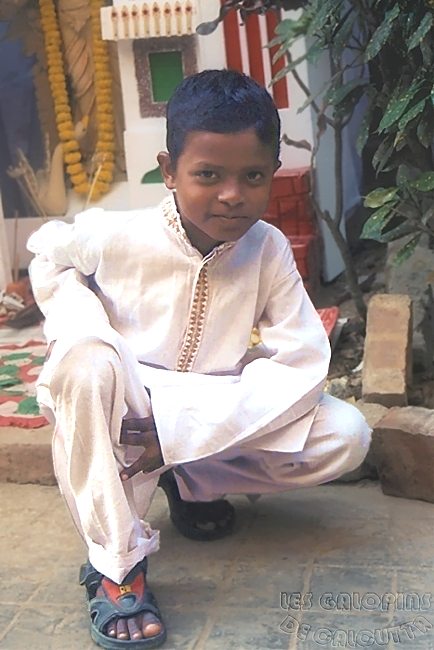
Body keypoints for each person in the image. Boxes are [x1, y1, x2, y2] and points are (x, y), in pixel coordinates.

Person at [28, 69, 371, 649]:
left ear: (272, 172)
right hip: (126, 406)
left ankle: (188, 480)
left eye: (253, 176)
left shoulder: (267, 248)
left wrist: (183, 431)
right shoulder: (116, 233)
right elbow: (46, 254)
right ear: (169, 170)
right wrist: (91, 332)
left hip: (209, 403)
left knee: (346, 434)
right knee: (83, 363)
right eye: (208, 174)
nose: (232, 194)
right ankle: (116, 568)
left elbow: (302, 361)